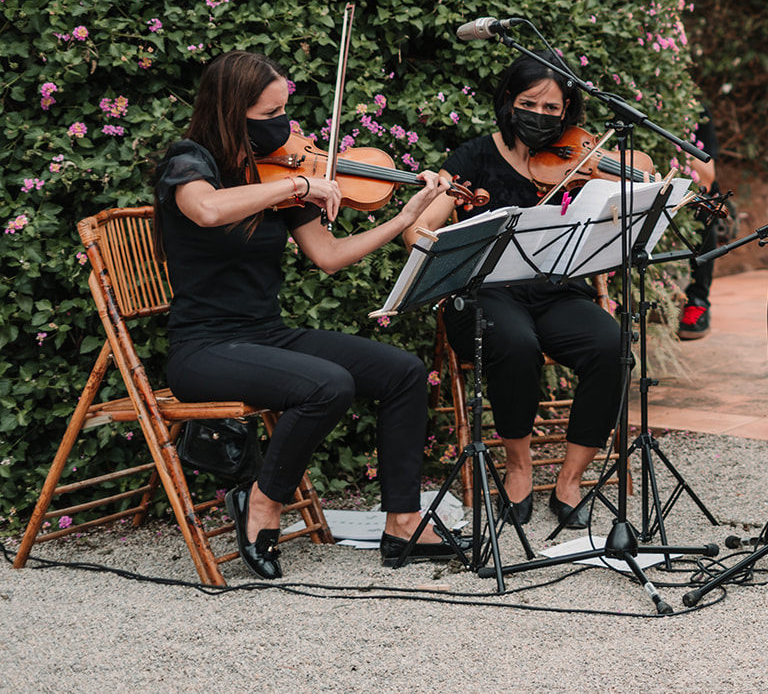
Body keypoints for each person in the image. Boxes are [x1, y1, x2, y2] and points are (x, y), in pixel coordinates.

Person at [154, 50, 456, 579]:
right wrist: (298, 186)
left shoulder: (275, 171)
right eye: (269, 116)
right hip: (202, 348)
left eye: (284, 113)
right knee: (328, 385)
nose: (283, 128)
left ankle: (403, 522)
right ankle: (262, 504)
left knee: (404, 372)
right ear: (231, 111)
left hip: (264, 335)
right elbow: (205, 209)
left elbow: (329, 256)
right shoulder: (190, 162)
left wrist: (404, 218)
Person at [404, 53, 625, 531]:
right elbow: (419, 231)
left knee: (612, 346)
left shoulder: (580, 161)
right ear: (508, 101)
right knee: (515, 344)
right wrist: (427, 221)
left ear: (567, 112)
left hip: (557, 290)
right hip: (487, 295)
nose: (542, 117)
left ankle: (569, 481)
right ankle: (519, 469)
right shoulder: (473, 159)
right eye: (530, 104)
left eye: (554, 109)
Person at [678, 107, 719, 340]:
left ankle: (698, 298)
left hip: (691, 188)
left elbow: (708, 178)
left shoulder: (696, 111)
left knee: (706, 208)